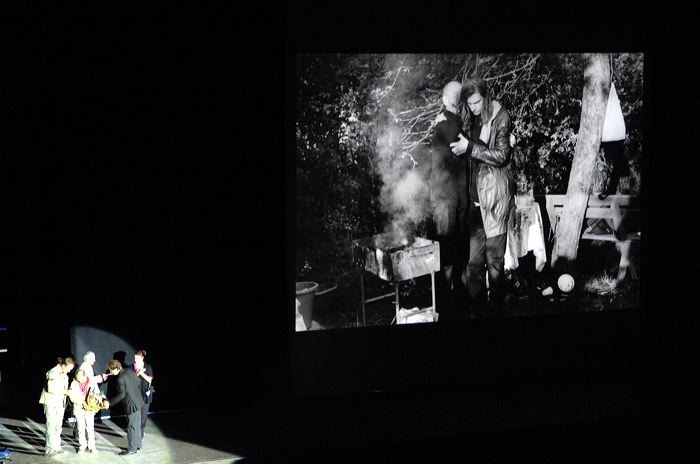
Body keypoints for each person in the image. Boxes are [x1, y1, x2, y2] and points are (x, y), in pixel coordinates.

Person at [450, 76, 515, 311]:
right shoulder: (471, 119)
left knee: (495, 263)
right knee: (474, 263)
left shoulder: (501, 117)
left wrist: (469, 147)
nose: (475, 108)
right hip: (475, 202)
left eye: (477, 102)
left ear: (486, 97)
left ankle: (496, 310)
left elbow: (501, 155)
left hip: (495, 200)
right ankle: (477, 311)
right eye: (470, 104)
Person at [428, 81, 469, 317]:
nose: (458, 100)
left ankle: (459, 305)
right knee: (445, 256)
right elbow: (470, 145)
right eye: (457, 96)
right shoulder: (447, 126)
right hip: (445, 199)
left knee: (459, 254)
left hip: (458, 198)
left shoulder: (451, 122)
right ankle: (442, 309)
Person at [104, 359, 145, 455]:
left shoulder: (120, 379)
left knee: (131, 427)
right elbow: (138, 381)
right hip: (138, 401)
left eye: (110, 370)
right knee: (137, 425)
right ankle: (137, 445)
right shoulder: (129, 371)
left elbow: (122, 395)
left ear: (114, 369)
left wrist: (109, 402)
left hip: (131, 404)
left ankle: (131, 449)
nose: (110, 372)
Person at [39, 356, 75, 456]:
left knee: (58, 426)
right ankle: (49, 449)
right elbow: (50, 388)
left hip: (59, 403)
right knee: (51, 425)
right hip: (51, 402)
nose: (69, 371)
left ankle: (56, 446)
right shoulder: (53, 373)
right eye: (68, 369)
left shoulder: (64, 374)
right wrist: (65, 392)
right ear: (63, 366)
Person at [68, 369, 99, 454]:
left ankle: (92, 446)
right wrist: (78, 401)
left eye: (80, 379)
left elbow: (98, 393)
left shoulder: (92, 382)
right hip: (79, 408)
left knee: (90, 427)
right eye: (77, 379)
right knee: (81, 428)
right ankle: (82, 446)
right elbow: (71, 394)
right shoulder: (74, 383)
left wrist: (95, 401)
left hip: (89, 408)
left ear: (85, 376)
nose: (79, 381)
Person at [132, 349, 154, 443]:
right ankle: (136, 433)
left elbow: (149, 380)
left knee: (143, 415)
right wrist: (136, 375)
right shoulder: (131, 367)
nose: (135, 359)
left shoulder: (147, 367)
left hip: (145, 394)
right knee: (136, 415)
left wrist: (141, 373)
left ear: (142, 358)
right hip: (135, 395)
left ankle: (140, 434)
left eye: (137, 358)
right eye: (135, 358)